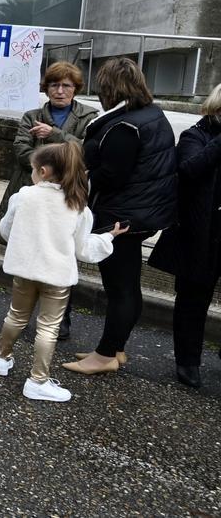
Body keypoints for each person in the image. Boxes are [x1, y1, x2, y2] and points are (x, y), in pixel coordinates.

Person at [63, 58, 176, 376]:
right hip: (140, 212)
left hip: (122, 217)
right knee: (126, 286)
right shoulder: (149, 115)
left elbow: (113, 175)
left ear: (110, 88)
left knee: (120, 288)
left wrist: (87, 168)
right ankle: (116, 348)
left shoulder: (126, 126)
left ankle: (105, 355)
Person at [0, 142, 126, 402]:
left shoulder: (22, 196)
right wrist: (108, 237)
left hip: (24, 269)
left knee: (16, 315)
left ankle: (2, 357)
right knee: (48, 328)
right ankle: (37, 380)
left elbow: (6, 230)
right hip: (56, 276)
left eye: (32, 169)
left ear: (42, 171)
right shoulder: (78, 207)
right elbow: (83, 251)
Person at [0, 61, 97, 339]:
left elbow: (88, 151)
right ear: (46, 88)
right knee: (28, 251)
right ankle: (21, 313)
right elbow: (21, 150)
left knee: (62, 254)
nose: (60, 91)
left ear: (76, 89)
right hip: (34, 191)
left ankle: (60, 318)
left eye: (66, 86)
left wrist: (55, 136)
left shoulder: (89, 115)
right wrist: (56, 164)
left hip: (68, 196)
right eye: (54, 85)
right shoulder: (32, 114)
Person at [148, 82, 221, 389]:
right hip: (200, 235)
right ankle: (187, 361)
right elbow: (189, 169)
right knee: (193, 301)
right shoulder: (196, 135)